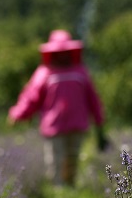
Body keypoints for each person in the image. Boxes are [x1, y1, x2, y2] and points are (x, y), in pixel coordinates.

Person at [8, 29, 108, 186]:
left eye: (65, 52)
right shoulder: (44, 73)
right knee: (56, 159)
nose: (62, 55)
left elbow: (92, 98)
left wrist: (99, 119)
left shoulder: (80, 71)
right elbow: (31, 97)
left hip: (77, 124)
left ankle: (70, 190)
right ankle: (58, 191)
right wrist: (18, 114)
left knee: (73, 158)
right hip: (53, 126)